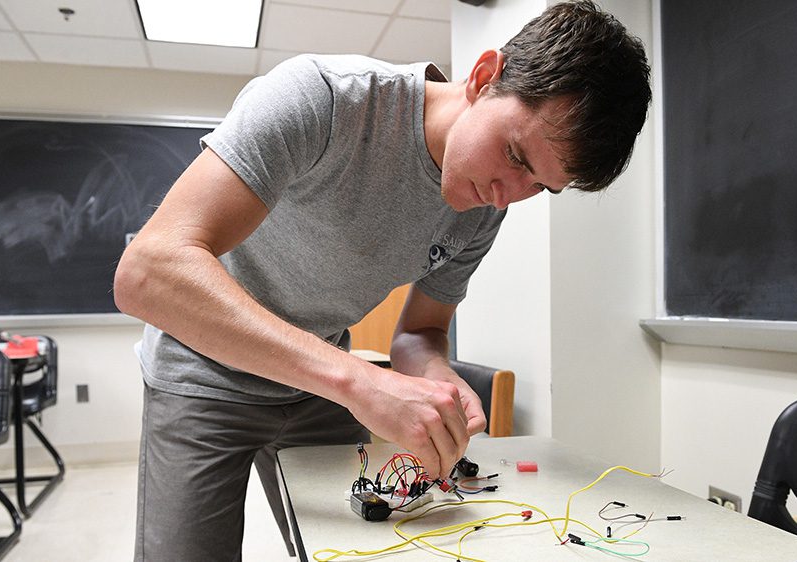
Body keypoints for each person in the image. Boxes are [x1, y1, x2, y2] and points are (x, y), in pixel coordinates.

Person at [113, 1, 651, 559]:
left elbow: (420, 333)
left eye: (538, 185)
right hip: (203, 373)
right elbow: (148, 272)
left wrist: (436, 383)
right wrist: (360, 383)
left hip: (319, 384)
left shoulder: (487, 208)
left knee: (360, 549)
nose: (505, 193)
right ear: (485, 77)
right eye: (514, 155)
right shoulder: (322, 99)